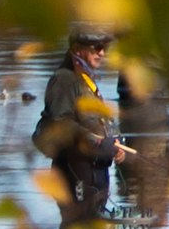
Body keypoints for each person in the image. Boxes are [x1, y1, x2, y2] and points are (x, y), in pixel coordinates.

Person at [32, 25, 127, 212]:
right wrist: (96, 141)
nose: (102, 53)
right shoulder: (64, 80)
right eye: (96, 47)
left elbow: (99, 120)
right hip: (75, 171)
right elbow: (61, 122)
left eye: (105, 48)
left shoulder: (86, 81)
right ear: (76, 49)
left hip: (96, 171)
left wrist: (116, 140)